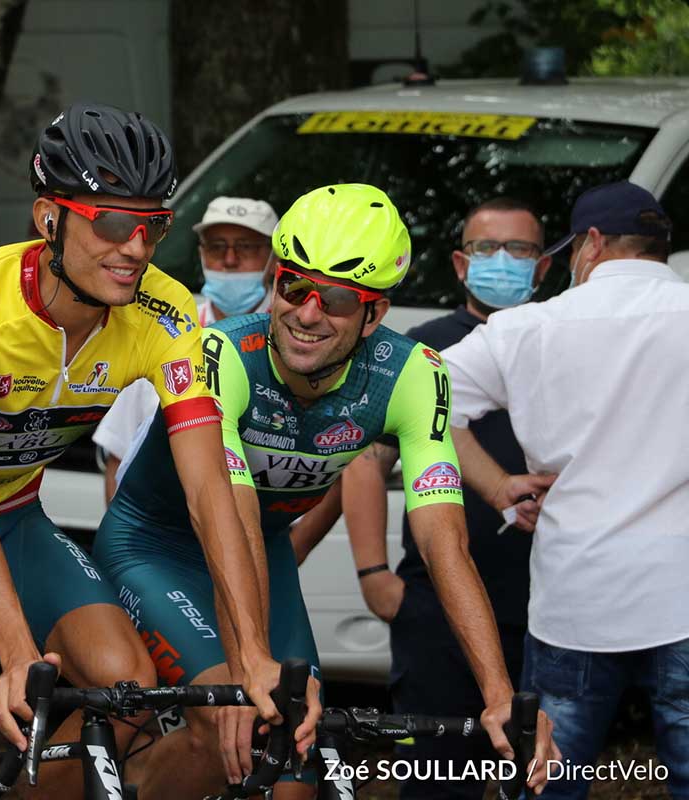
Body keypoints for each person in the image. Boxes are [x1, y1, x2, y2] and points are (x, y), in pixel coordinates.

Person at [0, 103, 309, 800]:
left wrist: (252, 654)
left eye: (153, 226)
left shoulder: (167, 317)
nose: (136, 248)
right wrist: (18, 656)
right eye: (112, 223)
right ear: (50, 219)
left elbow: (211, 493)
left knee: (130, 698)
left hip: (12, 515)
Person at [93, 183, 557, 798]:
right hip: (156, 547)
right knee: (228, 729)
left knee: (295, 773)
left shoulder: (415, 375)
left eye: (337, 298)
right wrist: (249, 660)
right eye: (294, 286)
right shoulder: (221, 356)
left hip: (262, 552)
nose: (308, 313)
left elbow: (445, 543)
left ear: (375, 314)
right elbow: (227, 509)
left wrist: (501, 695)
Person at [443, 180, 689, 799]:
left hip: (577, 599)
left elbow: (423, 403)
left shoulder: (529, 328)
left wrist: (498, 485)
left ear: (593, 244)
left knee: (548, 781)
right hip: (682, 593)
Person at [340, 197, 551, 799]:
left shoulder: (559, 340)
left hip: (545, 605)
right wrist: (373, 573)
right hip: (435, 609)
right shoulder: (418, 349)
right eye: (487, 249)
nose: (503, 261)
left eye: (521, 249)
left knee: (537, 776)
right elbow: (363, 459)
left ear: (542, 269)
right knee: (437, 778)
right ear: (461, 263)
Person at [93, 195, 279, 500]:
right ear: (202, 254)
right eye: (217, 247)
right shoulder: (166, 326)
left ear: (274, 260)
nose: (230, 260)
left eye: (246, 247)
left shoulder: (298, 336)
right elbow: (119, 454)